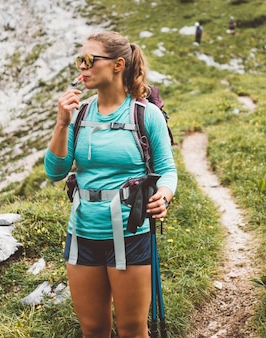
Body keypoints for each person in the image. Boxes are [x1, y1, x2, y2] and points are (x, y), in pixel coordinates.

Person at [44, 30, 178, 338]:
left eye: (90, 60)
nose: (82, 67)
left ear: (118, 65)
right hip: (82, 233)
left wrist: (164, 195)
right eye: (80, 59)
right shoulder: (80, 115)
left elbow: (167, 169)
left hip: (131, 234)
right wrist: (62, 122)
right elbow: (55, 172)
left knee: (132, 329)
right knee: (93, 329)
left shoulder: (146, 114)